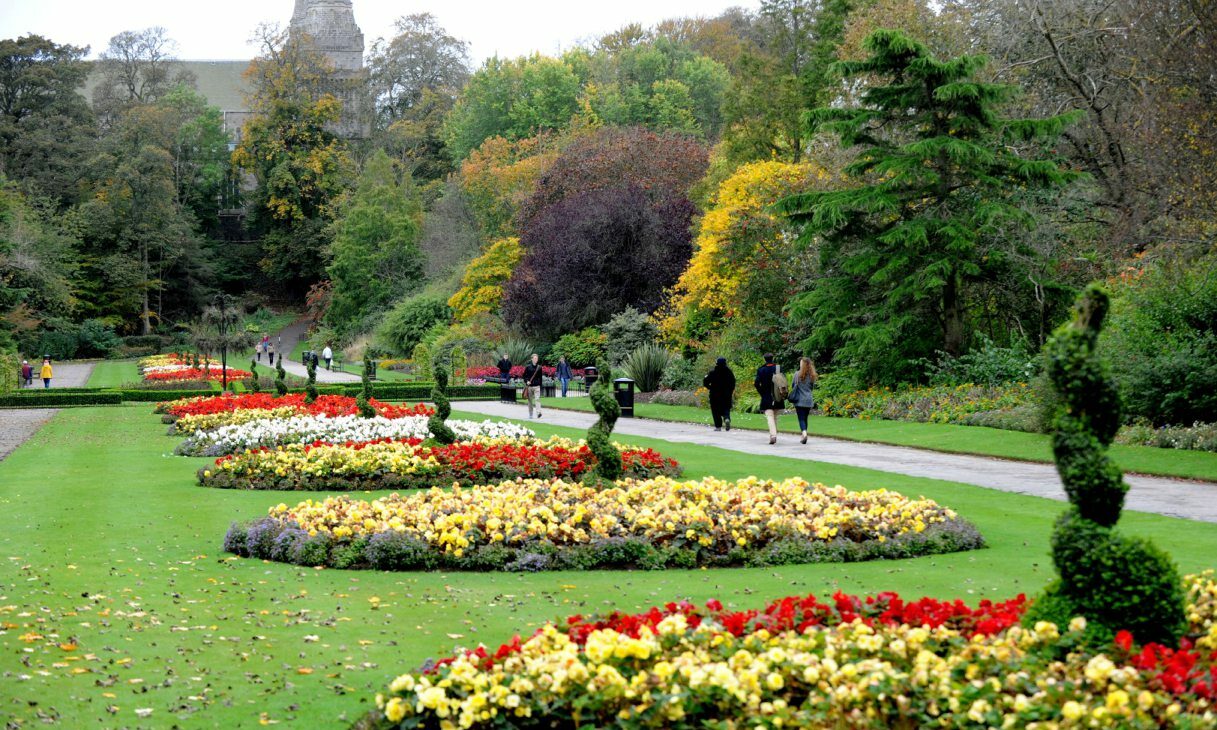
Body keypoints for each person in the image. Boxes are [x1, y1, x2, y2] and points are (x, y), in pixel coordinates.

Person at [789, 357, 818, 444]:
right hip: (808, 399)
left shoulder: (797, 374)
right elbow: (812, 387)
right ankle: (803, 434)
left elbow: (793, 385)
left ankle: (804, 433)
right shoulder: (812, 375)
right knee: (805, 418)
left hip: (799, 400)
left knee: (801, 418)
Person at [703, 357, 737, 431]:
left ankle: (718, 426)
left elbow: (705, 382)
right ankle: (726, 418)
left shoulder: (713, 372)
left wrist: (710, 387)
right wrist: (730, 391)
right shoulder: (729, 372)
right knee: (726, 408)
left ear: (717, 363)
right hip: (726, 394)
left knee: (715, 410)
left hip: (715, 394)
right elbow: (733, 383)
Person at [754, 353, 781, 445]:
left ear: (764, 359)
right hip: (777, 395)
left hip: (766, 395)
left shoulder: (761, 370)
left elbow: (756, 383)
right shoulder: (778, 368)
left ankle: (773, 435)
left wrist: (762, 392)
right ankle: (774, 434)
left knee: (769, 416)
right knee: (775, 417)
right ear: (772, 358)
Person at [522, 354, 544, 419]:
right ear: (532, 359)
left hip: (537, 386)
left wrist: (540, 386)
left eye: (537, 358)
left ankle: (538, 413)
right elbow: (524, 376)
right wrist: (527, 381)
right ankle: (531, 414)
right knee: (530, 401)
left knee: (537, 399)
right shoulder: (528, 367)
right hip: (530, 387)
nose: (536, 360)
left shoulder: (539, 367)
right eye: (534, 358)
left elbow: (540, 378)